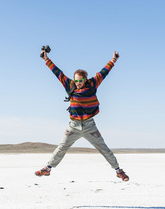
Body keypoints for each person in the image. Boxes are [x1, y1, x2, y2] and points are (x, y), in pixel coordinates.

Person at [35, 49, 129, 181]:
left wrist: (113, 60)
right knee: (62, 147)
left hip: (90, 126)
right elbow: (57, 72)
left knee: (104, 149)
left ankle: (119, 171)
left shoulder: (92, 84)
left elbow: (104, 72)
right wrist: (46, 59)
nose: (78, 83)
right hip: (73, 126)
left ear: (85, 79)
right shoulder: (70, 85)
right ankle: (48, 169)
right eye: (76, 80)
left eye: (80, 81)